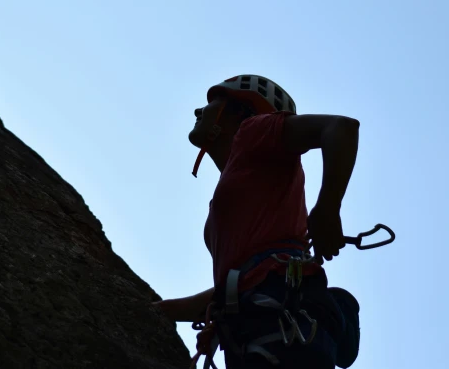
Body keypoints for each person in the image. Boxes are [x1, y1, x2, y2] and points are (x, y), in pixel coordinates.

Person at [153, 75, 361, 369]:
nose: (199, 112)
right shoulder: (229, 197)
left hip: (274, 325)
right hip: (254, 326)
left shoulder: (254, 131)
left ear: (239, 112)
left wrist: (328, 208)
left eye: (211, 104)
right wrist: (159, 310)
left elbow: (341, 128)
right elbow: (234, 287)